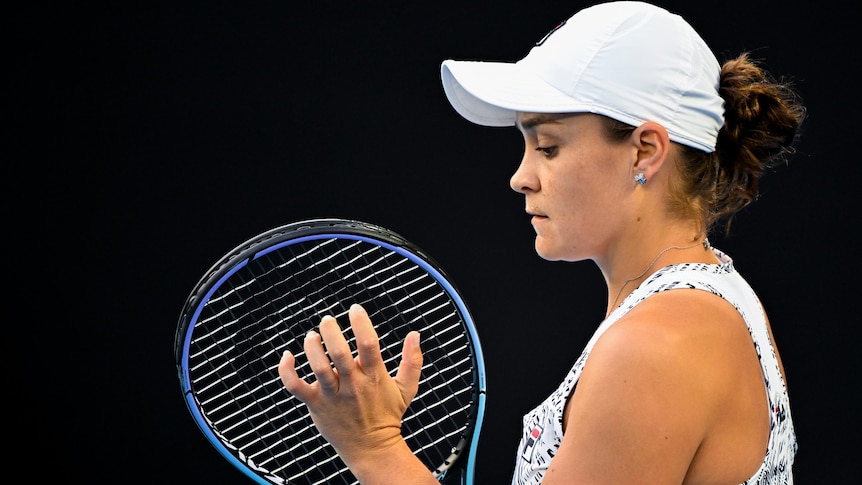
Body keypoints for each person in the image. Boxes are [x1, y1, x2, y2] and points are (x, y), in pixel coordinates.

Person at [278, 1, 805, 483]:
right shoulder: (711, 304)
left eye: (548, 147)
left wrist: (373, 447)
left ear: (645, 151)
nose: (520, 176)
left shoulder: (653, 346)